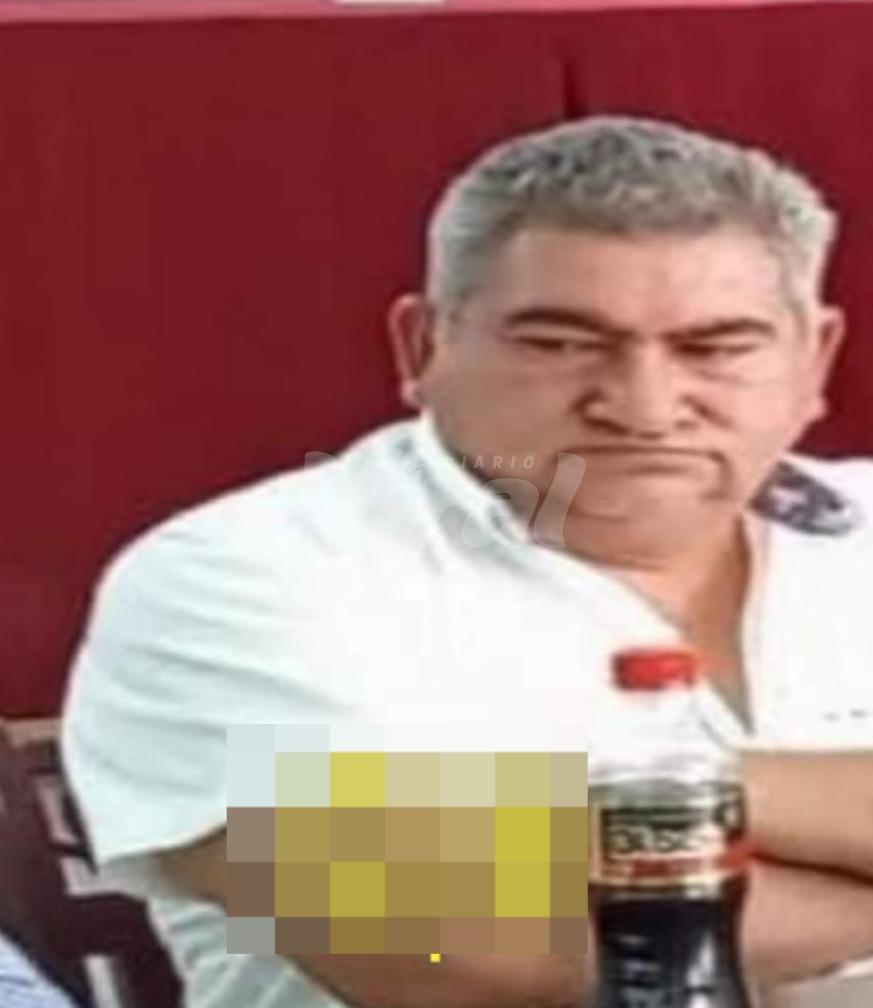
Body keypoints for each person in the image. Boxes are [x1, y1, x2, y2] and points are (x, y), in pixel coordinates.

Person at [60, 116, 873, 1008]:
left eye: (714, 348)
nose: (642, 406)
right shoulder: (237, 576)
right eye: (560, 344)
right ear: (421, 347)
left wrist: (576, 804)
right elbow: (448, 939)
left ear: (814, 359)